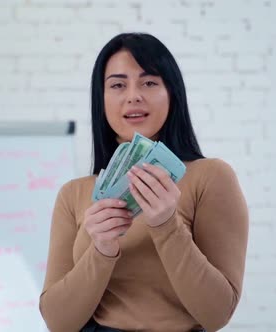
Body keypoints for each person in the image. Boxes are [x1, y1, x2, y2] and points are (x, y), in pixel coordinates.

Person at [39, 32, 249, 332]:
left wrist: (166, 224)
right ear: (101, 99)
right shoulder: (74, 194)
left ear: (172, 93)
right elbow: (58, 322)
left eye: (149, 82)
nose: (133, 95)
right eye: (118, 85)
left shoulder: (211, 177)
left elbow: (217, 314)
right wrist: (102, 249)